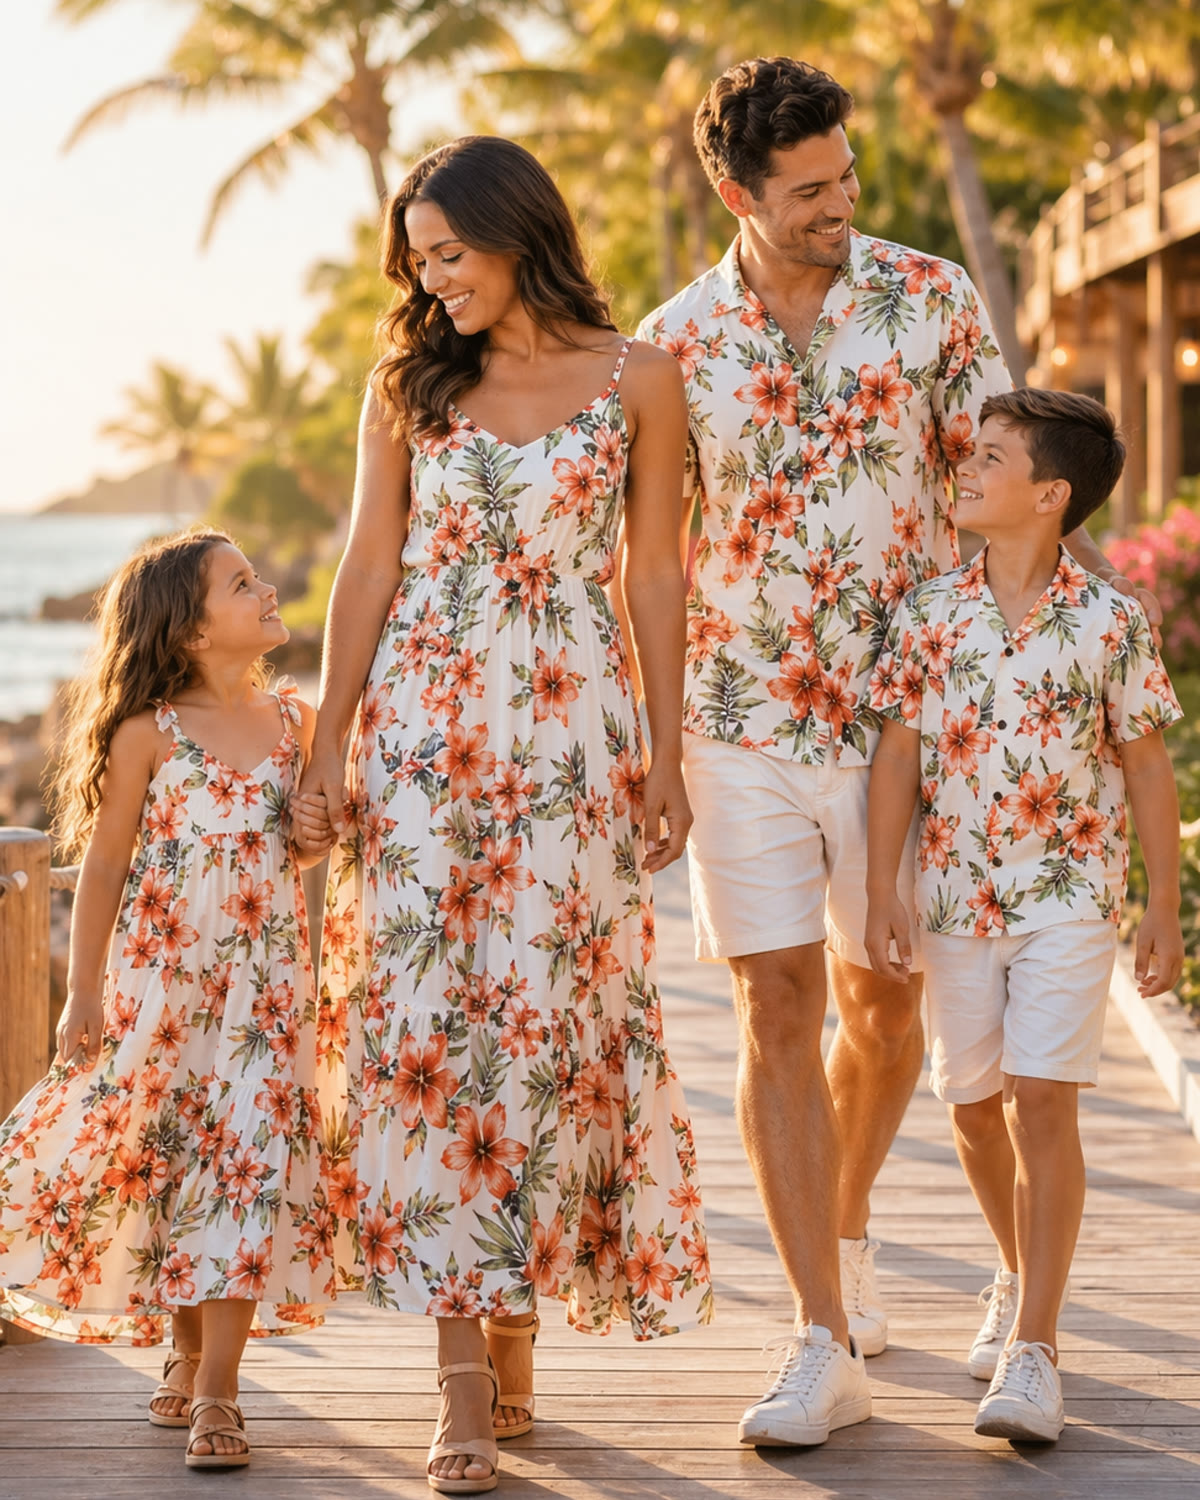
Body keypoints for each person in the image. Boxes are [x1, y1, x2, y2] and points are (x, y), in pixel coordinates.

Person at [636, 56, 1162, 1447]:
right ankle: (822, 1329)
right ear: (739, 194)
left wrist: (1074, 661)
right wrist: (655, 741)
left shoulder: (931, 298)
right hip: (741, 718)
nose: (842, 203)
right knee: (776, 1010)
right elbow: (653, 557)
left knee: (884, 1009)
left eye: (847, 176)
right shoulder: (673, 344)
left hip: (910, 723)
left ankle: (850, 1225)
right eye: (810, 189)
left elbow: (1012, 483)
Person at [294, 135, 712, 1496]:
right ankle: (461, 1379)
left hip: (575, 738)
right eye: (417, 263)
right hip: (426, 736)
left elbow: (655, 575)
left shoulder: (641, 377)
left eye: (448, 254)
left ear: (515, 232)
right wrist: (331, 737)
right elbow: (368, 567)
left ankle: (517, 1302)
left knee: (549, 1022)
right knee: (436, 1031)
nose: (432, 282)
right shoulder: (408, 386)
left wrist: (666, 750)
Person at [865, 388, 1183, 1441]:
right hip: (956, 897)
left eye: (992, 455)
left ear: (1051, 495)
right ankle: (1016, 1270)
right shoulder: (929, 613)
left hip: (1070, 897)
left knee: (1041, 1103)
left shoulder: (1111, 621)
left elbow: (1147, 765)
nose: (966, 465)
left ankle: (1036, 1348)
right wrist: (880, 888)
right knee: (973, 1108)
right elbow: (898, 756)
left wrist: (1163, 907)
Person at [0, 529, 343, 1470]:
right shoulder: (148, 734)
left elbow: (307, 843)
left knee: (246, 1171)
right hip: (163, 991)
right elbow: (105, 866)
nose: (268, 589)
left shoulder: (297, 721)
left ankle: (219, 1393)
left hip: (266, 997)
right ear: (191, 631)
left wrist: (315, 831)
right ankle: (187, 1354)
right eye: (242, 584)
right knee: (179, 1168)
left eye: (259, 575)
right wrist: (82, 993)